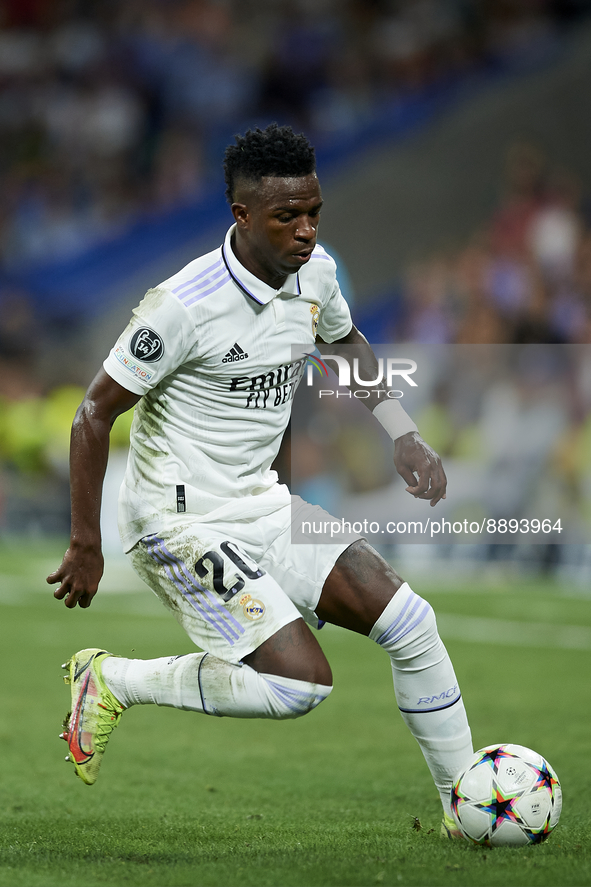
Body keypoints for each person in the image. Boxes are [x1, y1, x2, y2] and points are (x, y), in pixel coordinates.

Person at [47, 124, 472, 838]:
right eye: (287, 217)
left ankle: (467, 807)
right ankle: (112, 678)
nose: (306, 231)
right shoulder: (182, 304)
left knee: (412, 623)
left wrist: (402, 432)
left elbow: (344, 342)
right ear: (241, 216)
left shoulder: (317, 274)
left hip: (260, 503)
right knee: (298, 685)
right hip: (175, 519)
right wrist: (86, 542)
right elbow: (93, 414)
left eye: (313, 212)